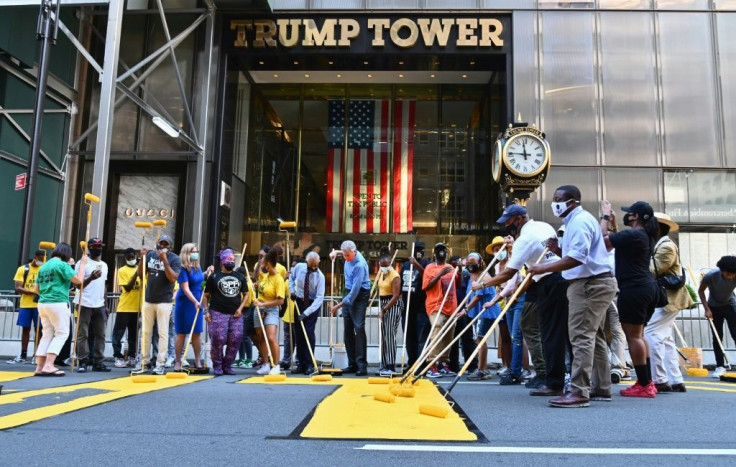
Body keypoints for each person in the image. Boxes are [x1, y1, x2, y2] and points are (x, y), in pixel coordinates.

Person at [528, 186, 617, 408]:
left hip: (588, 284)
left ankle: (579, 391)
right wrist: (558, 251)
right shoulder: (577, 222)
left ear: (573, 202)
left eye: (559, 199)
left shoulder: (578, 222)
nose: (555, 203)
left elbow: (577, 258)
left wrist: (542, 268)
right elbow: (583, 255)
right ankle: (601, 387)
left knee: (581, 336)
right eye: (554, 199)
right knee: (593, 336)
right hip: (594, 282)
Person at [475, 204, 568, 398]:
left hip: (549, 281)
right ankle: (552, 376)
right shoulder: (544, 226)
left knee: (549, 334)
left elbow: (510, 272)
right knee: (546, 331)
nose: (506, 225)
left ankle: (553, 380)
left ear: (519, 219)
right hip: (548, 280)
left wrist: (483, 285)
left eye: (508, 221)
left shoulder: (525, 239)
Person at [600, 200, 660, 398]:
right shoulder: (644, 235)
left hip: (633, 289)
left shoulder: (634, 234)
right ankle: (647, 381)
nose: (627, 215)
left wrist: (605, 216)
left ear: (636, 217)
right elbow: (619, 241)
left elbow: (603, 242)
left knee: (633, 336)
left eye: (630, 213)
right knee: (639, 335)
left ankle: (644, 384)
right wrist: (615, 225)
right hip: (646, 288)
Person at [644, 212, 692, 392]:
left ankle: (660, 379)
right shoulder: (661, 244)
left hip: (667, 299)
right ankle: (675, 379)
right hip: (666, 298)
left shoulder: (666, 246)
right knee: (665, 337)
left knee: (651, 333)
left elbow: (652, 270)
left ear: (656, 228)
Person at [34, 243, 86, 376]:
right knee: (62, 333)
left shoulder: (43, 266)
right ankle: (49, 365)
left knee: (47, 335)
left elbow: (36, 289)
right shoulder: (63, 265)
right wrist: (83, 264)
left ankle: (39, 367)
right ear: (66, 254)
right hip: (58, 303)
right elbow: (79, 280)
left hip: (43, 303)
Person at [203, 248, 253, 375]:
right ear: (222, 261)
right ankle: (217, 365)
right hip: (217, 312)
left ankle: (227, 365)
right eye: (229, 259)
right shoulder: (214, 277)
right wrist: (206, 311)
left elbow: (246, 294)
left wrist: (240, 308)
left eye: (233, 259)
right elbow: (206, 295)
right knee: (218, 338)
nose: (232, 261)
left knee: (236, 338)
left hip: (235, 314)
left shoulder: (240, 276)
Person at [138, 234, 181, 375]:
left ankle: (160, 363)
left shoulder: (174, 258)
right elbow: (140, 274)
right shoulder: (150, 255)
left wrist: (165, 261)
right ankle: (144, 362)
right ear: (157, 244)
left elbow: (172, 278)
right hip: (149, 299)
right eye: (160, 243)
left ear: (170, 246)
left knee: (162, 333)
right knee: (145, 332)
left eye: (165, 244)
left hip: (164, 301)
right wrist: (142, 258)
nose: (162, 246)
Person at [488, 237, 528, 385]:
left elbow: (511, 285)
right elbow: (499, 285)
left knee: (517, 336)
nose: (498, 252)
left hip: (519, 300)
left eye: (500, 249)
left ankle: (517, 371)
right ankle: (512, 368)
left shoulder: (514, 262)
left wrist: (492, 301)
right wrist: (497, 296)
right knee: (512, 336)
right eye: (495, 250)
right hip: (507, 302)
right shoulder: (497, 267)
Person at [329, 241, 371, 376]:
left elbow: (355, 291)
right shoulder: (348, 253)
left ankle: (361, 365)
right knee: (348, 328)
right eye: (344, 255)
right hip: (348, 291)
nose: (346, 258)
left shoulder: (360, 265)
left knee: (358, 327)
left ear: (354, 251)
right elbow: (344, 251)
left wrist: (339, 305)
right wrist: (336, 252)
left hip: (360, 294)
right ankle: (352, 364)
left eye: (348, 255)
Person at [72, 238, 110, 372]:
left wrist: (105, 303)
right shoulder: (82, 263)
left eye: (100, 246)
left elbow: (104, 285)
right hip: (84, 302)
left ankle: (98, 362)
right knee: (83, 333)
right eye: (94, 246)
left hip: (99, 304)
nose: (98, 249)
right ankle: (83, 360)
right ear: (89, 248)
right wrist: (91, 278)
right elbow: (77, 284)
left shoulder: (104, 265)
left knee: (101, 334)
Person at [423, 243, 459, 378]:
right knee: (437, 327)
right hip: (435, 305)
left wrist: (458, 270)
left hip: (451, 306)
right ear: (434, 253)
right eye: (438, 250)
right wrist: (439, 274)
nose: (441, 253)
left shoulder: (450, 267)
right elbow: (426, 287)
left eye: (443, 250)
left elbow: (457, 284)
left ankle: (443, 363)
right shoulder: (429, 268)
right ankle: (431, 364)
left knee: (449, 334)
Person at [463, 252, 500, 381]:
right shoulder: (472, 275)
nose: (470, 266)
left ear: (480, 263)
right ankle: (482, 367)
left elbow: (478, 297)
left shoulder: (484, 277)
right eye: (469, 264)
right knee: (477, 339)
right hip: (476, 311)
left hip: (485, 311)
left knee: (480, 339)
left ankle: (482, 370)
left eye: (473, 264)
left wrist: (465, 310)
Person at [698, 255, 736, 378]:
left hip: (730, 306)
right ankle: (720, 366)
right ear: (722, 270)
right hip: (714, 307)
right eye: (728, 274)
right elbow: (700, 291)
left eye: (733, 274)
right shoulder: (711, 276)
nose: (730, 277)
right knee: (717, 336)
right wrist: (707, 309)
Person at [289, 251, 325, 374]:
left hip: (312, 305)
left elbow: (319, 298)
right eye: (311, 266)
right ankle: (301, 363)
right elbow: (291, 278)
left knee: (308, 333)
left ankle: (309, 363)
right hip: (299, 301)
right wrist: (291, 291)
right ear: (306, 263)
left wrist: (306, 313)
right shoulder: (299, 267)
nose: (314, 268)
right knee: (298, 333)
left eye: (316, 265)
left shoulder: (320, 276)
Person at [7, 250, 46, 364]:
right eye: (40, 259)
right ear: (35, 257)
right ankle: (23, 354)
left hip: (40, 304)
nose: (41, 261)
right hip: (26, 304)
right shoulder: (23, 269)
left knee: (40, 330)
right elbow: (18, 287)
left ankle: (37, 354)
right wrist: (33, 292)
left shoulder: (44, 269)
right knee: (26, 329)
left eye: (43, 259)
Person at [173, 243, 205, 372]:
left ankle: (197, 359)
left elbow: (199, 281)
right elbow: (185, 288)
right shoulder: (182, 269)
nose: (195, 253)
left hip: (198, 301)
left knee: (197, 333)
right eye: (193, 251)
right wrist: (195, 302)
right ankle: (177, 360)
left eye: (196, 251)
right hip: (186, 302)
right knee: (181, 333)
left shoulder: (197, 267)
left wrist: (207, 272)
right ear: (187, 253)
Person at [254, 247, 286, 375]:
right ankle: (266, 364)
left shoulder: (278, 279)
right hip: (259, 307)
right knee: (261, 338)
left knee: (271, 338)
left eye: (263, 264)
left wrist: (264, 303)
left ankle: (276, 365)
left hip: (271, 309)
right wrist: (257, 287)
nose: (262, 266)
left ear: (268, 264)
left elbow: (280, 301)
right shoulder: (265, 275)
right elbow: (261, 286)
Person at [400, 241, 430, 371]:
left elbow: (427, 278)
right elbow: (401, 283)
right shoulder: (405, 265)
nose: (418, 251)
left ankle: (421, 365)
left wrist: (416, 265)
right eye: (416, 249)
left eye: (420, 249)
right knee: (409, 337)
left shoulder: (427, 264)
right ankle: (411, 363)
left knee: (420, 338)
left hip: (421, 308)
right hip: (407, 308)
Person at [375, 253, 404, 377]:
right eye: (382, 265)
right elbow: (381, 288)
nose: (384, 267)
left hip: (392, 305)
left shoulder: (395, 275)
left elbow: (396, 295)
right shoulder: (382, 273)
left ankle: (391, 366)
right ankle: (385, 364)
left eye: (386, 265)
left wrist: (384, 309)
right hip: (383, 303)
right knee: (384, 335)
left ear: (390, 264)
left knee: (390, 334)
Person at [113, 248, 141, 368]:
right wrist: (137, 273)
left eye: (133, 257)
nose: (131, 259)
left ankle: (132, 355)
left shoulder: (141, 270)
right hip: (125, 307)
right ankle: (117, 356)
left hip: (137, 308)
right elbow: (128, 288)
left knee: (133, 335)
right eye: (129, 257)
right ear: (125, 258)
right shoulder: (122, 270)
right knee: (118, 333)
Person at [449, 255, 476, 374]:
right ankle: (453, 365)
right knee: (452, 339)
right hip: (452, 310)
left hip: (464, 310)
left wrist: (466, 308)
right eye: (455, 262)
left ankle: (471, 365)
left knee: (467, 338)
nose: (457, 264)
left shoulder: (465, 275)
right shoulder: (448, 274)